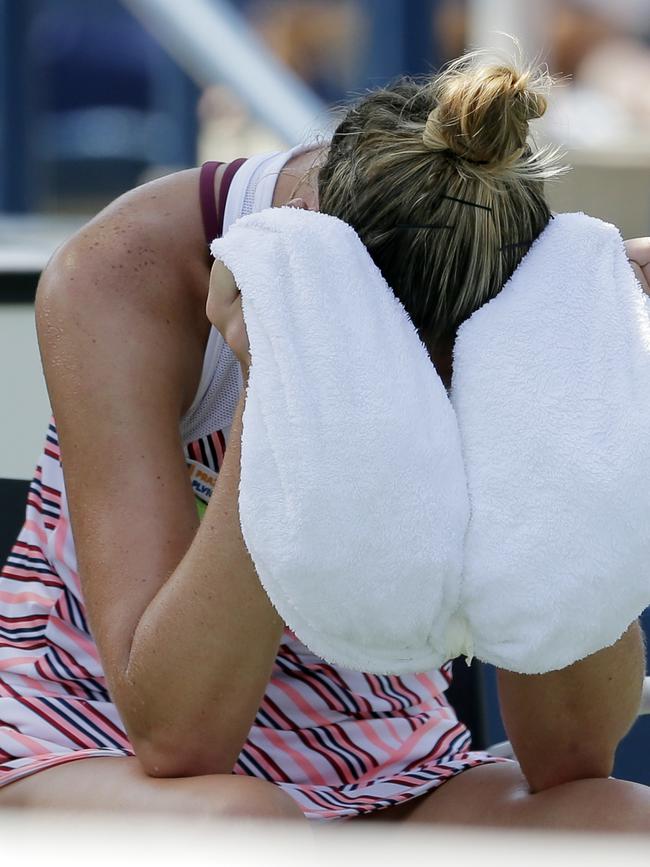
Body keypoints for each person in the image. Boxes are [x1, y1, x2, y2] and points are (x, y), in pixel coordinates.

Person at [1, 50, 650, 829]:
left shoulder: (499, 279)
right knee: (243, 825)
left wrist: (567, 386)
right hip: (86, 739)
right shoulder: (121, 272)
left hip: (383, 755)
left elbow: (570, 752)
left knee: (615, 823)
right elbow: (178, 736)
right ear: (311, 259)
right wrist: (282, 379)